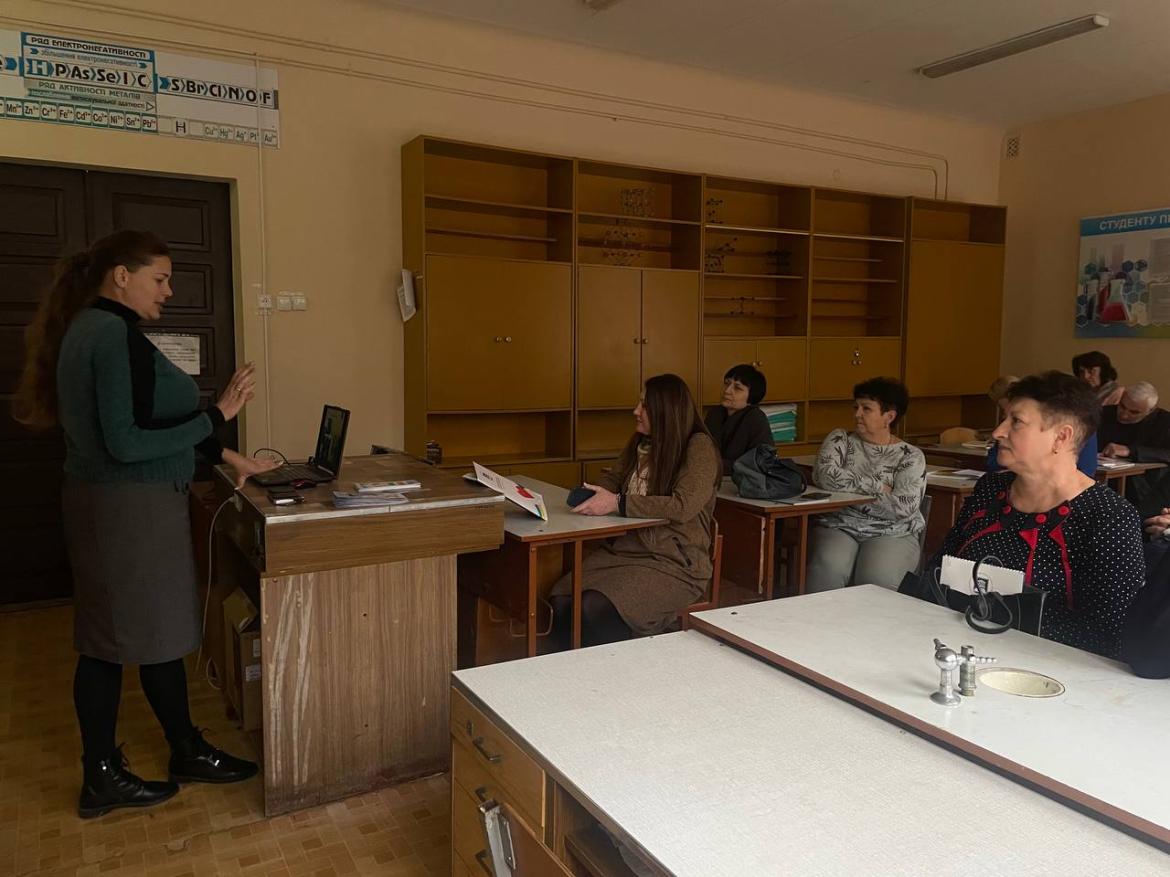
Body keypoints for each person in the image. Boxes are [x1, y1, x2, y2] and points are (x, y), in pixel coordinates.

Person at [13, 230, 280, 819]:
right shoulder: (108, 335)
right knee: (107, 646)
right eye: (159, 278)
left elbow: (158, 420)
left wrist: (229, 456)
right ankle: (103, 776)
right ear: (121, 276)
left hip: (126, 506)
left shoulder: (99, 328)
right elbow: (128, 443)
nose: (168, 290)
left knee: (154, 636)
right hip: (124, 510)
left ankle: (184, 749)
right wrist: (220, 413)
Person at [926, 372, 1143, 659]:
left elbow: (1108, 633)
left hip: (1046, 667)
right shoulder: (991, 488)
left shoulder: (1108, 517)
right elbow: (938, 569)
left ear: (1061, 437)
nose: (998, 432)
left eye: (1016, 421)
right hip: (951, 646)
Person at [549, 374, 720, 646]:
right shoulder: (641, 442)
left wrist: (617, 502)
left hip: (674, 563)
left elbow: (683, 506)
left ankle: (619, 668)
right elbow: (615, 478)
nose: (636, 411)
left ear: (666, 411)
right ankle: (575, 668)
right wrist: (596, 494)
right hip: (626, 551)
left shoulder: (698, 447)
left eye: (644, 406)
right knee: (561, 602)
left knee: (592, 606)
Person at [807, 377, 926, 592]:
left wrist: (848, 492)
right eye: (856, 407)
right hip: (840, 524)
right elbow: (825, 476)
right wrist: (878, 487)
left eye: (866, 408)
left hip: (892, 532)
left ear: (889, 416)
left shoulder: (910, 456)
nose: (857, 414)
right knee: (827, 569)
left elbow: (903, 506)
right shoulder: (840, 440)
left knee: (876, 579)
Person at [703, 363, 774, 475]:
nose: (727, 391)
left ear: (751, 396)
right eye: (727, 383)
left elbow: (762, 462)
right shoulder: (714, 413)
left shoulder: (756, 418)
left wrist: (716, 465)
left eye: (737, 388)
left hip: (742, 477)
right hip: (712, 472)